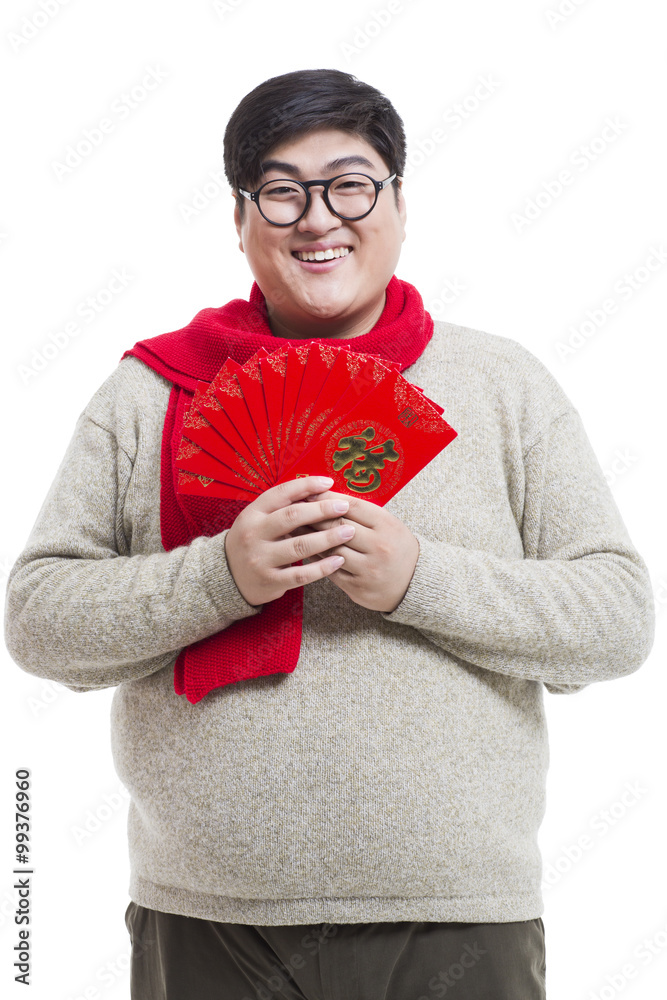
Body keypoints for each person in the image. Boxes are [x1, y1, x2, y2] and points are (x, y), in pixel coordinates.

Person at [4, 68, 655, 1000]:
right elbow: (39, 624)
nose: (318, 219)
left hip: (458, 916)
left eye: (350, 184)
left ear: (396, 202)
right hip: (208, 919)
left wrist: (416, 576)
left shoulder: (503, 384)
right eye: (281, 191)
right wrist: (220, 574)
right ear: (240, 219)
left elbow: (615, 622)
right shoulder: (150, 393)